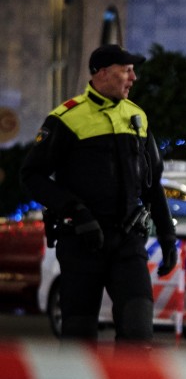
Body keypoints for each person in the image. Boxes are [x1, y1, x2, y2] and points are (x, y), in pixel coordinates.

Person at [21, 44, 177, 343]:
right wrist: (75, 211)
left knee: (138, 332)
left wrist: (168, 238)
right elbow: (31, 176)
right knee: (78, 339)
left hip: (128, 244)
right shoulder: (66, 118)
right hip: (82, 243)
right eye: (127, 70)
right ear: (103, 73)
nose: (134, 78)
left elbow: (152, 183)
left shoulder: (138, 118)